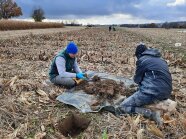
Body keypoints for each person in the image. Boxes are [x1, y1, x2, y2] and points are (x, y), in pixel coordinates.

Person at [117, 44, 172, 125]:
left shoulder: (142, 60)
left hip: (152, 92)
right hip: (167, 92)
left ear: (139, 54)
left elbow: (137, 80)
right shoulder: (160, 59)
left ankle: (151, 114)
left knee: (122, 107)